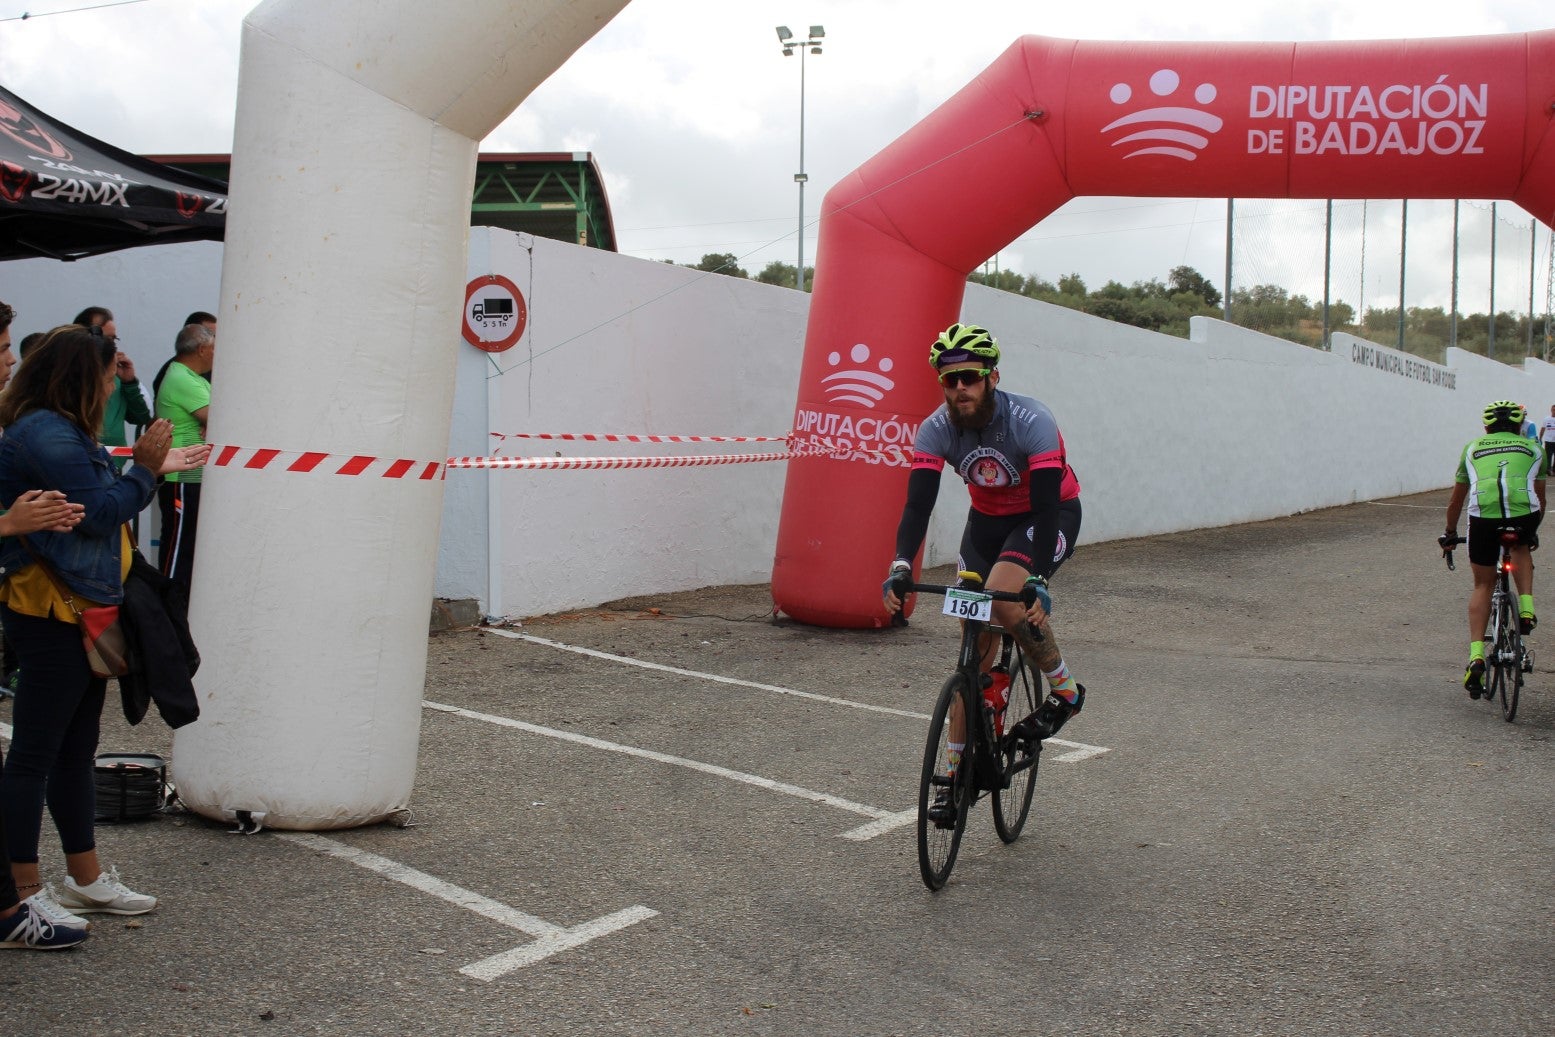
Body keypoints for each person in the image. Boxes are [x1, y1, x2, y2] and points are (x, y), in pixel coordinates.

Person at [0, 325, 207, 925]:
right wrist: (145, 470)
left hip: (76, 606)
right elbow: (101, 513)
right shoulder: (47, 435)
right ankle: (23, 892)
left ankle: (84, 878)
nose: (114, 383)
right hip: (53, 610)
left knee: (73, 749)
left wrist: (146, 470)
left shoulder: (56, 429)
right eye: (108, 373)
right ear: (80, 378)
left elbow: (96, 500)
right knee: (37, 753)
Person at [882, 323, 1087, 766]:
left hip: (1044, 515)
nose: (960, 388)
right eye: (949, 380)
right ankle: (957, 772)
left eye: (970, 377)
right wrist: (901, 565)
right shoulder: (935, 429)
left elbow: (1048, 506)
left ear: (992, 377)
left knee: (1007, 603)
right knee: (969, 650)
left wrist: (1037, 577)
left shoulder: (1032, 421)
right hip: (987, 522)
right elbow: (918, 506)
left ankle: (1066, 690)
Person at [1441, 400, 1546, 698]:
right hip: (1522, 514)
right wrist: (1532, 531)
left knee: (1483, 585)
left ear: (1486, 427)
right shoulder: (1534, 449)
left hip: (1483, 517)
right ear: (1520, 426)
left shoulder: (1472, 448)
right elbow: (1541, 498)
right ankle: (1526, 609)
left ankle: (1476, 656)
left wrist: (1450, 533)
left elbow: (1455, 502)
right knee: (1522, 548)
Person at [154, 322, 214, 595]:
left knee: (189, 544)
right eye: (215, 348)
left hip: (192, 472)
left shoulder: (194, 377)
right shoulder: (182, 378)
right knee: (179, 545)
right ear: (202, 349)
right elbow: (223, 418)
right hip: (182, 474)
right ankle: (169, 601)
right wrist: (215, 422)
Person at [73, 307, 153, 456]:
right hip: (85, 457)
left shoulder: (119, 373)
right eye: (105, 338)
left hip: (114, 461)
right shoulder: (73, 375)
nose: (113, 345)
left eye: (113, 339)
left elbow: (140, 417)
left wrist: (130, 383)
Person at [152, 311, 216, 399]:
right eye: (212, 336)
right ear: (193, 334)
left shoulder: (207, 368)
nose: (215, 341)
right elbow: (213, 411)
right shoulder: (176, 374)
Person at [1540, 405, 1555, 477]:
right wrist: (1540, 438)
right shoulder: (1547, 419)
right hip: (1548, 441)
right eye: (1553, 410)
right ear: (1551, 410)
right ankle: (1548, 470)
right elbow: (1542, 429)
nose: (1554, 411)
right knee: (1548, 456)